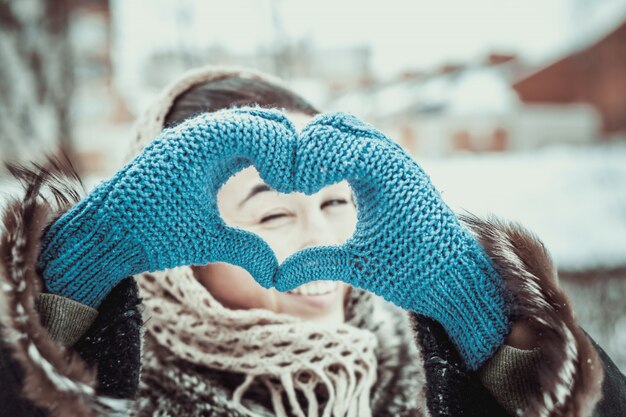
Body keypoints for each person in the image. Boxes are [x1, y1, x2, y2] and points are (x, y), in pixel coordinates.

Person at [0, 66, 624, 417]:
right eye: (271, 215)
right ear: (170, 258)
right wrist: (79, 262)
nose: (316, 240)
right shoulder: (107, 389)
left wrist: (481, 313)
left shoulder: (439, 372)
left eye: (333, 203)